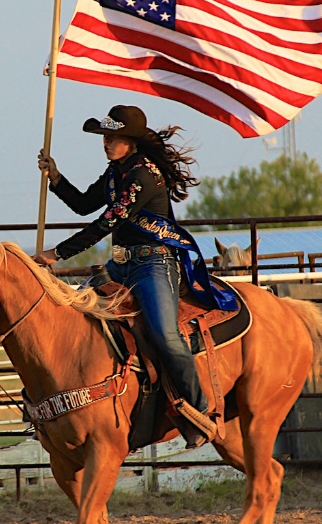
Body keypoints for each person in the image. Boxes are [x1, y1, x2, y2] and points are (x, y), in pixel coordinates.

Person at [35, 104, 235, 449]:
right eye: (105, 137)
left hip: (154, 265)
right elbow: (84, 205)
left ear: (131, 141)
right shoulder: (116, 172)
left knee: (166, 334)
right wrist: (56, 178)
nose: (106, 142)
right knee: (73, 315)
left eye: (113, 137)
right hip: (119, 266)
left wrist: (58, 253)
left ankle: (199, 410)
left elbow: (107, 222)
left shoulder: (144, 175)